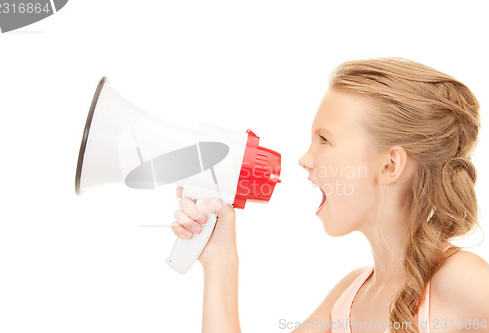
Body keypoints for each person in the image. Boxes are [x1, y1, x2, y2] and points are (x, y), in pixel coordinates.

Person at [170, 58, 489, 333]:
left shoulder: (465, 282)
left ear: (390, 165)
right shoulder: (347, 300)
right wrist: (220, 261)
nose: (304, 160)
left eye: (324, 140)